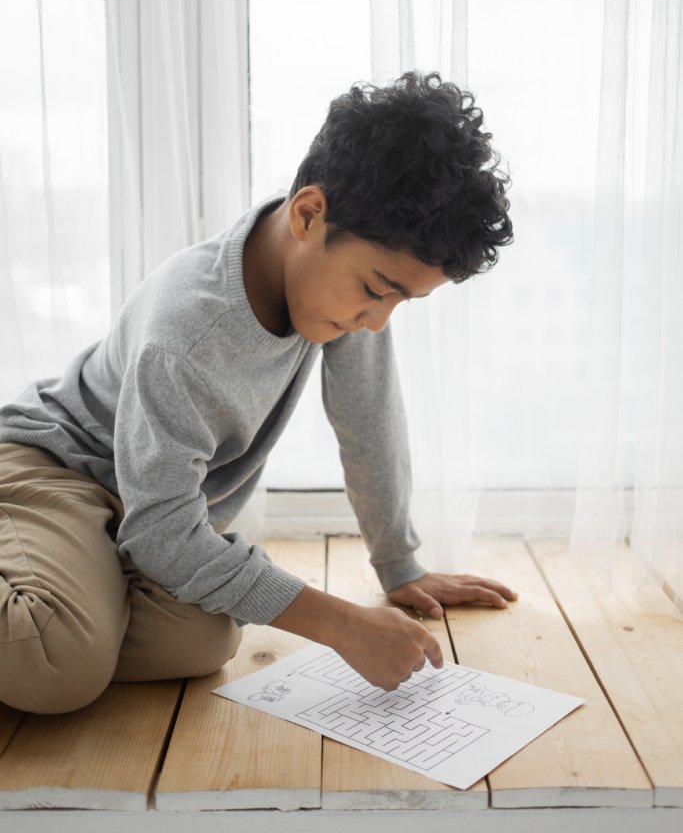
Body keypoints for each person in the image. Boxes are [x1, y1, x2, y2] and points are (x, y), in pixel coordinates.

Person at [0, 71, 515, 715]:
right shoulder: (186, 333)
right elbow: (163, 531)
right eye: (379, 290)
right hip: (53, 469)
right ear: (307, 214)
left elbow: (369, 424)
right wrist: (341, 624)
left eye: (401, 302)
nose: (379, 320)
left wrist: (399, 566)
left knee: (201, 639)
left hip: (146, 499)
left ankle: (72, 611)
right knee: (61, 663)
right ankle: (59, 628)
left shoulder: (338, 284)